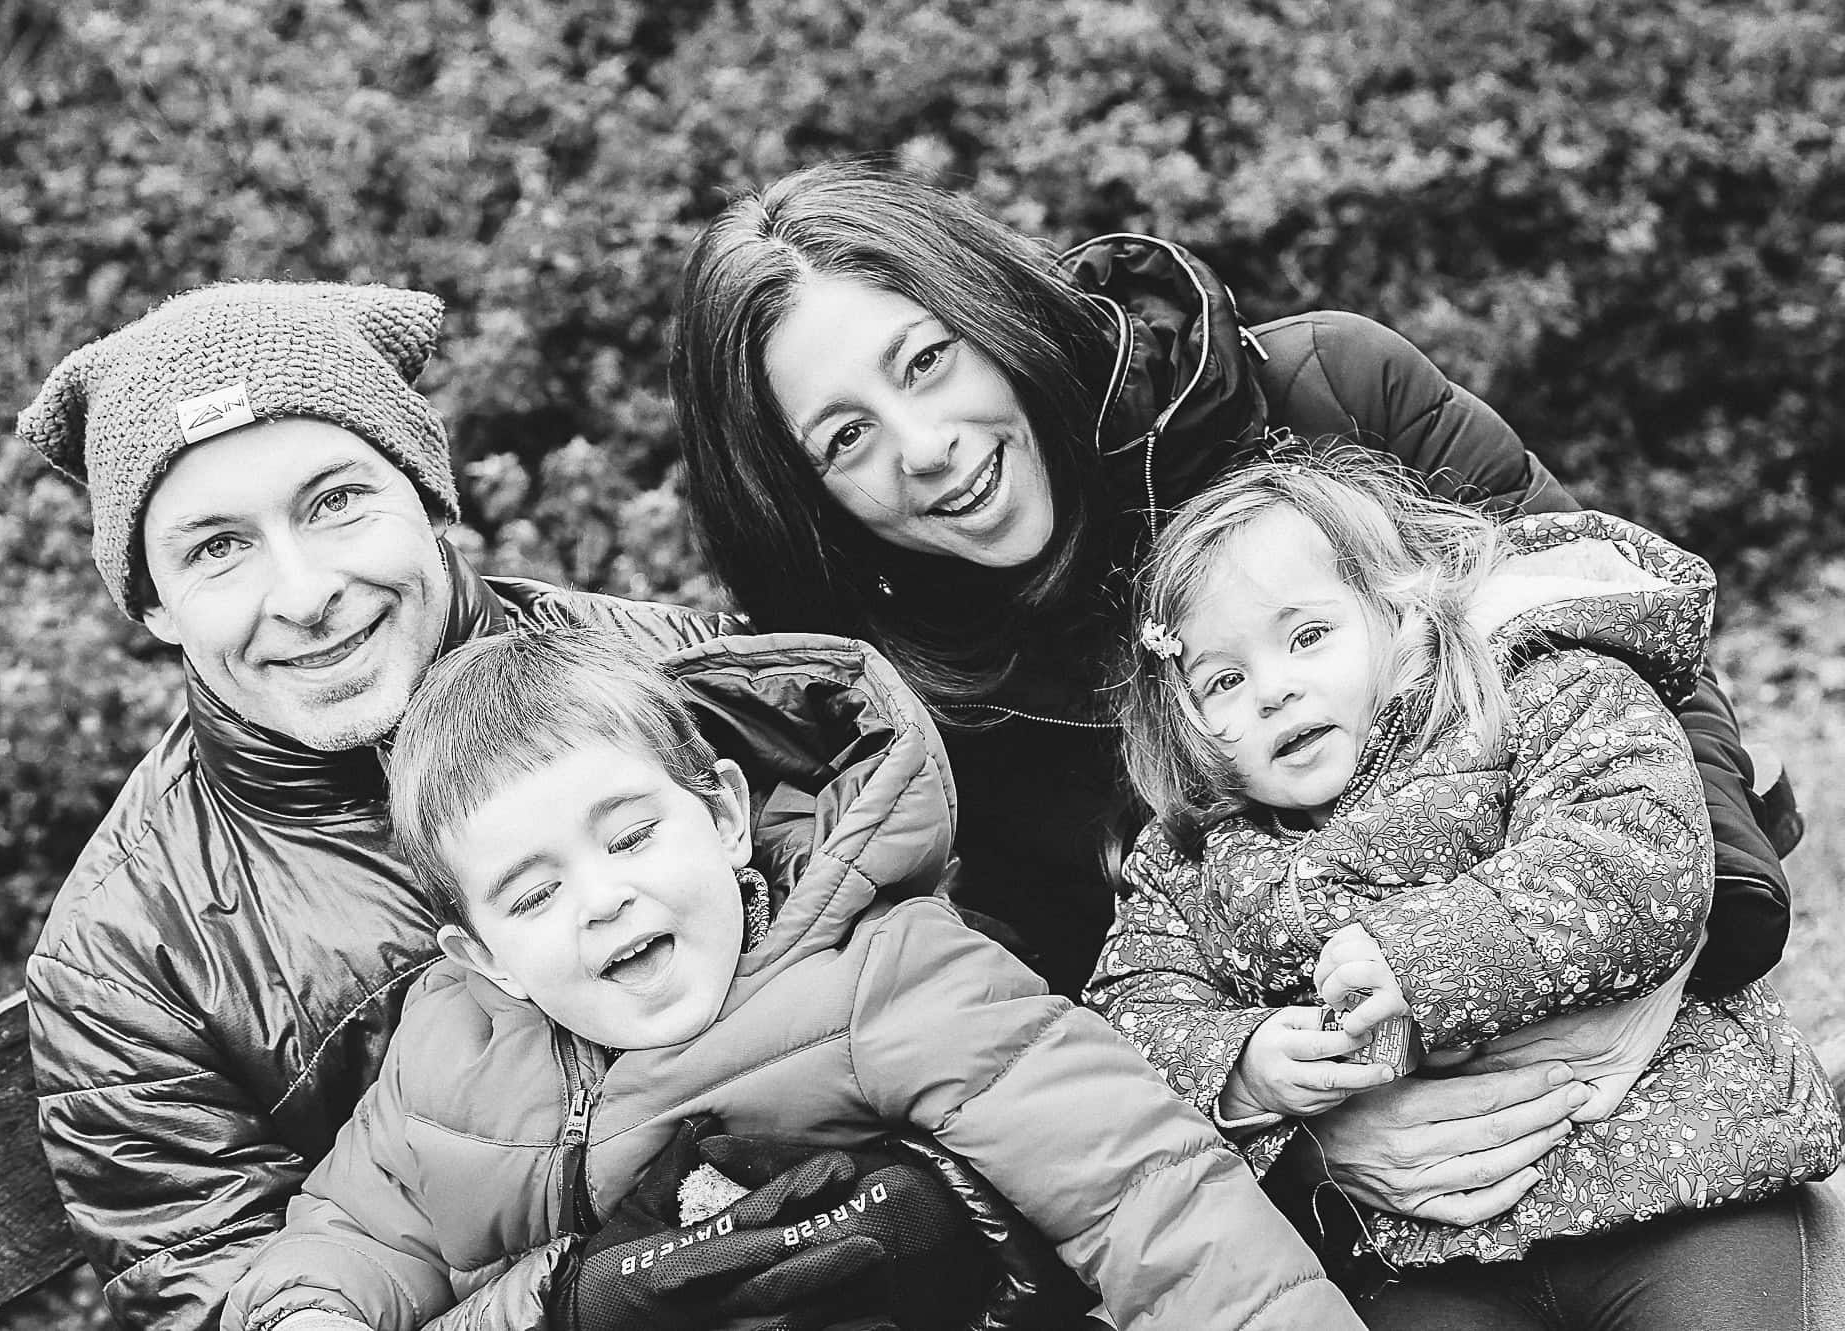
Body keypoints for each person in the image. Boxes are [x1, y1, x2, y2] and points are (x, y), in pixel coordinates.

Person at [667, 158, 1795, 1222]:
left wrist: (1678, 952)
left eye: (925, 360)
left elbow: (1620, 638)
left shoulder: (1331, 394)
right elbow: (1041, 1040)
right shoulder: (893, 723)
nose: (922, 447)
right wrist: (1293, 1140)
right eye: (844, 437)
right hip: (1340, 1216)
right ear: (800, 494)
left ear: (988, 308)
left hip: (1656, 1086)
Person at [15, 282, 962, 1331]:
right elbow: (227, 1294)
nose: (303, 590)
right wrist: (569, 1300)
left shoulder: (684, 681)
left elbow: (950, 962)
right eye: (217, 547)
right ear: (150, 602)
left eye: (335, 501)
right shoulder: (122, 956)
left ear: (427, 496)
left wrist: (939, 1186)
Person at [222, 625, 1365, 1331]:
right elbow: (359, 1227)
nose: (603, 898)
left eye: (629, 836)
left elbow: (1142, 1188)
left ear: (721, 813)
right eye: (531, 894)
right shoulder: (449, 1057)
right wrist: (313, 1304)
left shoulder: (886, 973)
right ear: (482, 957)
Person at [1085, 447, 1840, 1326]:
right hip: (1434, 1247)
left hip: (1680, 1172)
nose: (1274, 690)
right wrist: (1243, 1067)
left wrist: (1421, 959)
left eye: (1307, 636)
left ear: (1398, 611)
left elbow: (1634, 855)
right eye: (1224, 679)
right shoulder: (1194, 860)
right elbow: (1130, 1011)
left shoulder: (1526, 693)